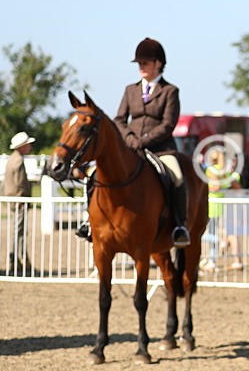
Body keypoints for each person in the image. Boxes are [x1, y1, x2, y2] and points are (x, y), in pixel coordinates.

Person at [74, 37, 189, 247]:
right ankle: (89, 221)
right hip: (130, 148)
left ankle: (179, 225)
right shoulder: (130, 90)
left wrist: (143, 141)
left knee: (178, 176)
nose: (141, 67)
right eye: (139, 64)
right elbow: (119, 119)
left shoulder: (170, 91)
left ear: (158, 64)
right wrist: (129, 138)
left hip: (161, 149)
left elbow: (168, 124)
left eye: (145, 63)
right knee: (93, 175)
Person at [203, 148, 243, 272]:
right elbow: (236, 187)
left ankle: (217, 250)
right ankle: (213, 257)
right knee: (220, 232)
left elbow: (215, 187)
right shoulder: (226, 172)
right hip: (224, 206)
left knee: (209, 234)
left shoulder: (211, 170)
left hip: (213, 206)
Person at [0, 131, 35, 275]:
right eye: (28, 145)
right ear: (22, 146)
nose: (30, 147)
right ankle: (14, 258)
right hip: (19, 200)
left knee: (19, 230)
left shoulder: (12, 159)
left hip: (13, 199)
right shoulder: (19, 161)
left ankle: (21, 259)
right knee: (18, 230)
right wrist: (23, 198)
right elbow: (20, 184)